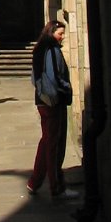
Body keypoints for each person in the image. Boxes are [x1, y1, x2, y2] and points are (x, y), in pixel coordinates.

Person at [26, 19, 78, 200]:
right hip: (53, 102)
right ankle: (57, 186)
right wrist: (65, 87)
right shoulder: (51, 49)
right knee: (55, 145)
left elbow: (34, 78)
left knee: (46, 141)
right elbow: (54, 77)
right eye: (60, 33)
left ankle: (34, 181)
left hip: (42, 100)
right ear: (51, 32)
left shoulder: (39, 49)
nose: (62, 37)